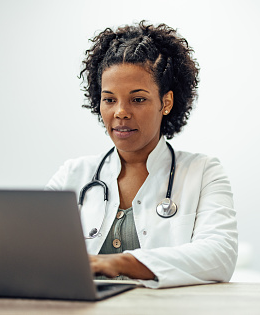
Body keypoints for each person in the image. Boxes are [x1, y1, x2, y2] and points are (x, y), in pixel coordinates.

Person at [45, 21, 238, 288]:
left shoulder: (203, 172)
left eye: (137, 99)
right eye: (109, 99)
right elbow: (35, 250)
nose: (120, 112)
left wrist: (120, 263)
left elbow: (220, 255)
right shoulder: (73, 174)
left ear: (166, 102)